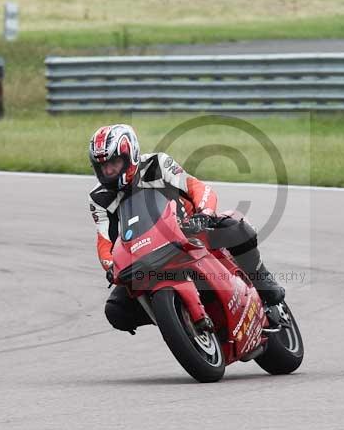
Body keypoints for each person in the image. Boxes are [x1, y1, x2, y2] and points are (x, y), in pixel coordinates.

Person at [87, 124, 286, 334]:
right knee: (116, 310)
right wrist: (110, 265)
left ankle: (264, 285)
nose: (108, 171)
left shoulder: (157, 163)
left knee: (233, 226)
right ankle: (177, 318)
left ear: (131, 156)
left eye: (114, 163)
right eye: (102, 167)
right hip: (145, 254)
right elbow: (104, 239)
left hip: (189, 231)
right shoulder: (98, 198)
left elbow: (196, 187)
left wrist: (205, 214)